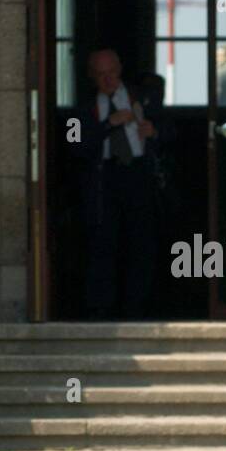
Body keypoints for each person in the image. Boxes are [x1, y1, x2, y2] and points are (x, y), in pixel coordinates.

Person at [70, 48, 166, 320]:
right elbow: (73, 144)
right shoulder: (81, 108)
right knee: (103, 244)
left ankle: (138, 309)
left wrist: (154, 131)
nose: (108, 80)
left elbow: (171, 131)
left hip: (138, 176)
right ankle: (102, 310)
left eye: (112, 73)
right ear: (91, 77)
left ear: (120, 69)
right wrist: (106, 124)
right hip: (103, 180)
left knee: (142, 243)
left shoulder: (144, 96)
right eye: (101, 75)